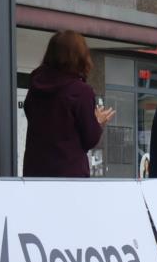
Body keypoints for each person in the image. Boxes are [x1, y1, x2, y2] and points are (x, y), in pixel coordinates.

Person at [23, 31, 115, 178]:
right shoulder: (80, 91)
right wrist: (97, 121)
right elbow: (89, 139)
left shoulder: (35, 86)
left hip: (35, 173)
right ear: (80, 57)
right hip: (69, 176)